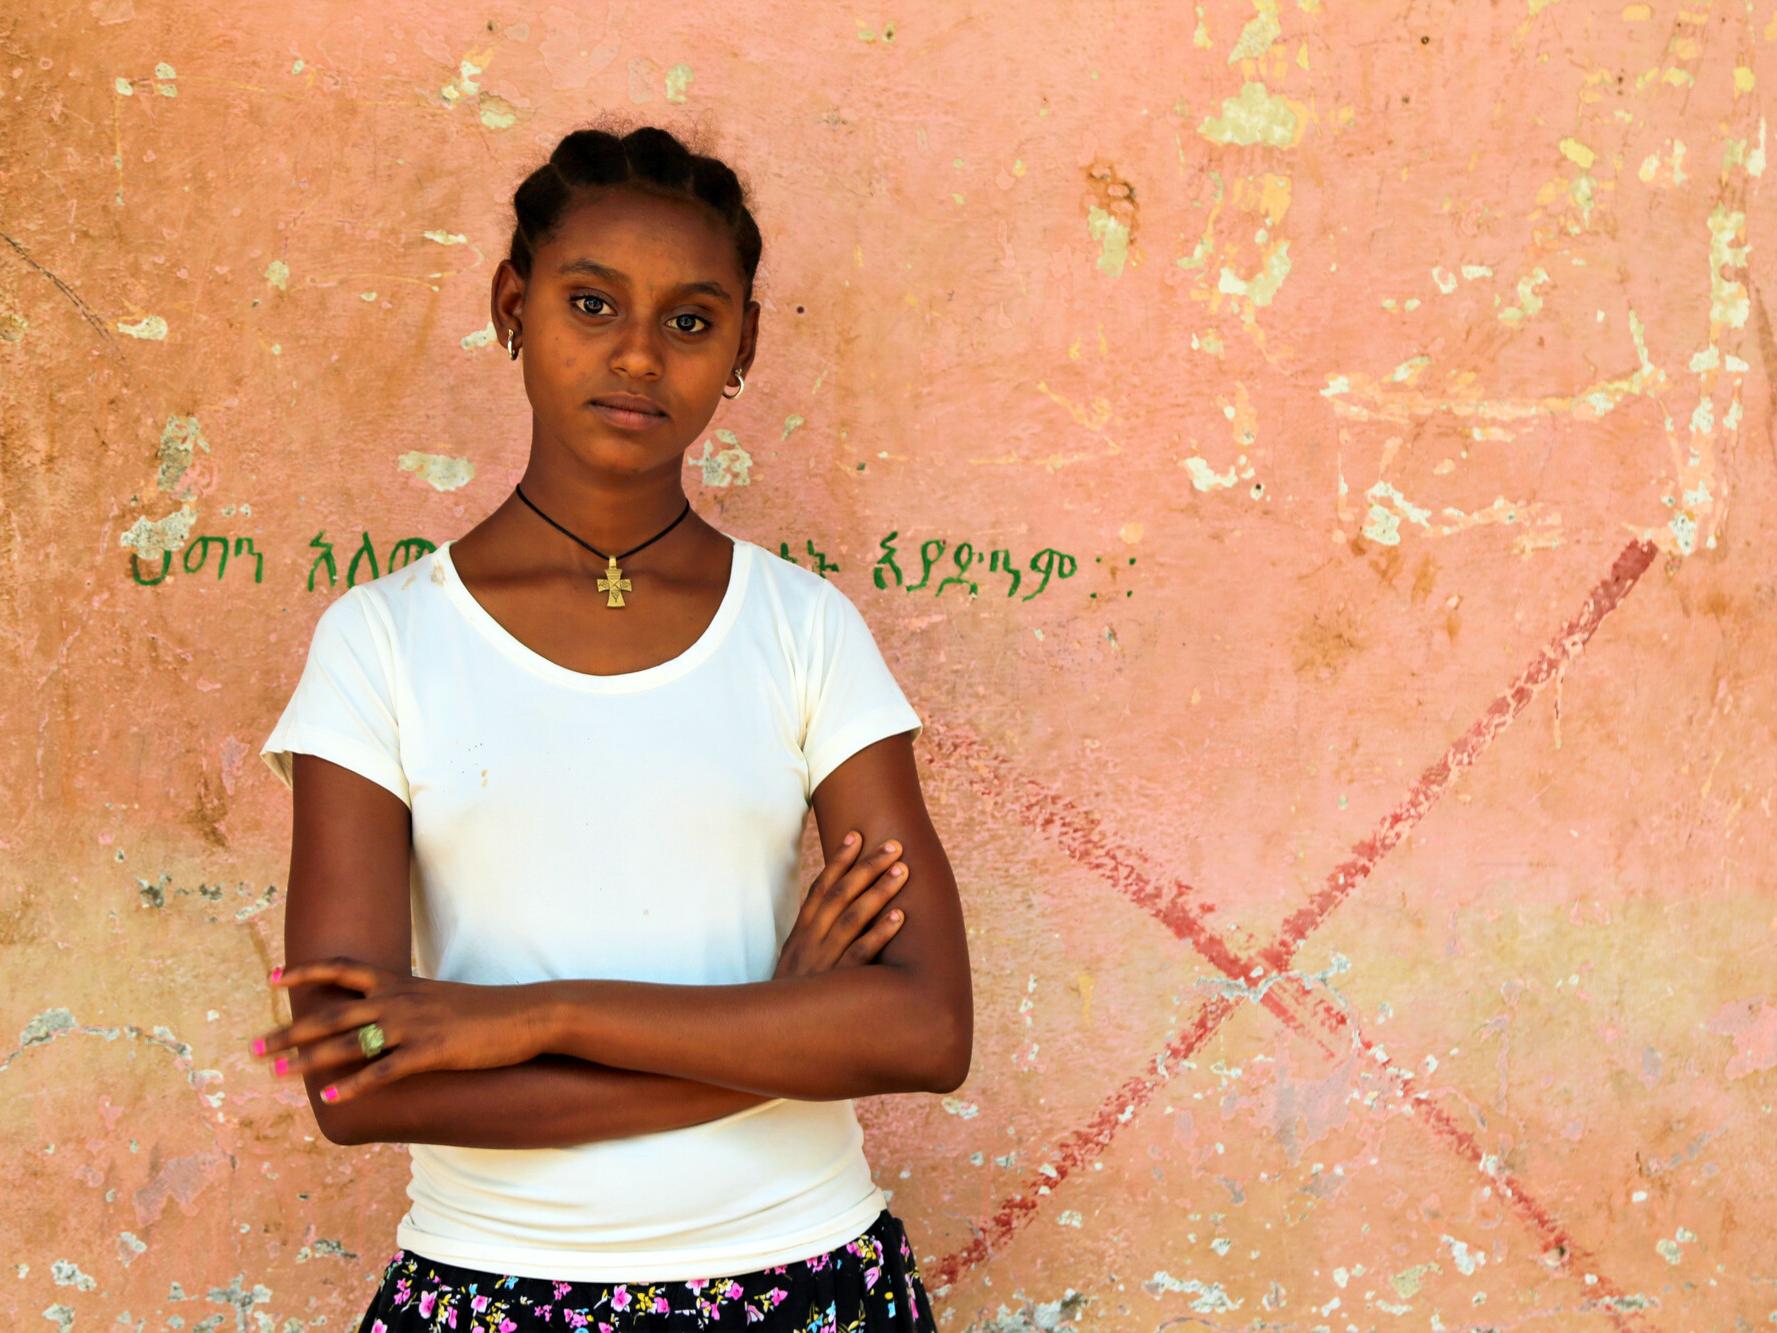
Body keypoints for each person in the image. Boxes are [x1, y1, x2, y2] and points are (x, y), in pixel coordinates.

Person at [250, 122, 971, 1332]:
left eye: (692, 320)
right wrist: (771, 1027)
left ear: (742, 346)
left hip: (806, 1279)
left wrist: (533, 1018)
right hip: (492, 1286)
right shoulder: (381, 642)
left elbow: (926, 1024)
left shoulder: (802, 629)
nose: (639, 355)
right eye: (593, 303)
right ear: (511, 305)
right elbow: (351, 1080)